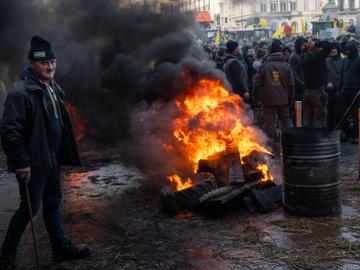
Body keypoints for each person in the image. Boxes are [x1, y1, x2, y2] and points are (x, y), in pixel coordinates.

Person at [0, 35, 91, 270]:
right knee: (29, 209)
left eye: (53, 62)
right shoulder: (20, 93)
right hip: (34, 162)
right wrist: (21, 162)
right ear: (32, 64)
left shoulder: (52, 87)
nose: (50, 67)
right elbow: (10, 132)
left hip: (51, 159)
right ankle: (6, 257)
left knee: (53, 204)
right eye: (44, 63)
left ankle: (59, 248)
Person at [253, 39, 295, 152]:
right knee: (286, 121)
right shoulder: (286, 66)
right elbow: (292, 85)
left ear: (270, 51)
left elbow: (256, 83)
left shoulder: (264, 66)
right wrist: (290, 100)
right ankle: (290, 144)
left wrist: (256, 98)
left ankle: (271, 149)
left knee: (270, 125)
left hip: (268, 100)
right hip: (283, 100)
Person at [301, 38, 332, 127]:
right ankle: (318, 139)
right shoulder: (317, 57)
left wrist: (311, 46)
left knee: (307, 119)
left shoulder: (304, 57)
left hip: (307, 91)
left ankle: (307, 139)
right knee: (319, 118)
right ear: (314, 48)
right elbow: (329, 45)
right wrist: (318, 43)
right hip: (317, 92)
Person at [339, 40, 360, 143]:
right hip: (345, 90)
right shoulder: (345, 60)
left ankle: (357, 135)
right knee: (343, 113)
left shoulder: (359, 59)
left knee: (356, 115)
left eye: (349, 50)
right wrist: (340, 87)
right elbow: (342, 75)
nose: (348, 52)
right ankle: (347, 133)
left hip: (356, 91)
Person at [326, 42, 343, 129]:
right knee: (329, 113)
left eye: (335, 48)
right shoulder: (326, 61)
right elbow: (324, 75)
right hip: (328, 91)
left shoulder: (343, 61)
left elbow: (342, 76)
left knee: (338, 114)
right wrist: (327, 83)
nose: (333, 50)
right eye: (332, 48)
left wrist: (335, 85)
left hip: (339, 91)